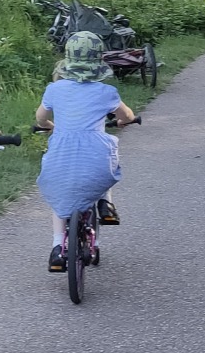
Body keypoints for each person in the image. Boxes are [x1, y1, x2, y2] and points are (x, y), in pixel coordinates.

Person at [35, 31, 135, 271]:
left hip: (62, 156)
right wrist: (123, 121)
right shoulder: (106, 93)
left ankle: (58, 246)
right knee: (105, 156)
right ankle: (104, 203)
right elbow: (127, 115)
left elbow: (40, 118)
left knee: (60, 199)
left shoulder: (55, 89)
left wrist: (50, 126)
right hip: (95, 156)